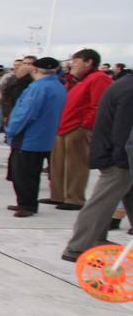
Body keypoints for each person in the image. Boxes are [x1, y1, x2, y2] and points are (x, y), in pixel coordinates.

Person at [61, 69, 133, 261]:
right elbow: (123, 129)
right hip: (119, 156)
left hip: (115, 153)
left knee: (121, 196)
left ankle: (96, 238)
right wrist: (124, 159)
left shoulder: (124, 84)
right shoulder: (129, 89)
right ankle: (78, 246)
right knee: (102, 201)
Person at [47, 48, 113, 210]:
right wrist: (71, 79)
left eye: (76, 61)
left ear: (88, 62)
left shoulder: (99, 78)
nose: (72, 64)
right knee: (58, 164)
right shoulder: (76, 80)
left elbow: (98, 104)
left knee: (76, 164)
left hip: (77, 128)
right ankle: (58, 195)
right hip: (64, 126)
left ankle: (74, 198)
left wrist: (85, 125)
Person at [5, 57, 67, 217]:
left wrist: (12, 130)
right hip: (45, 136)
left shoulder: (38, 87)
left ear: (35, 69)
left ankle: (26, 204)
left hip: (29, 137)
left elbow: (26, 112)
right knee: (32, 172)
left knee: (23, 174)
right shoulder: (58, 86)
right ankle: (27, 202)